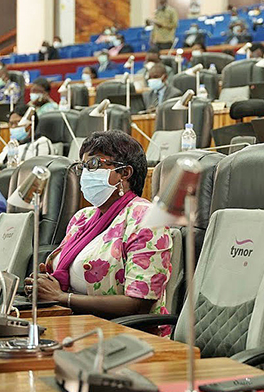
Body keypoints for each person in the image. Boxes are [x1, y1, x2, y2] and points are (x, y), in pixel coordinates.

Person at [26, 131, 172, 323]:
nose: (86, 174)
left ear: (125, 173)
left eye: (94, 165)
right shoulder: (82, 218)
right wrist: (47, 283)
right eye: (83, 167)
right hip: (74, 322)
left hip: (127, 334)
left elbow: (139, 303)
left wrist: (62, 298)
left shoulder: (147, 218)